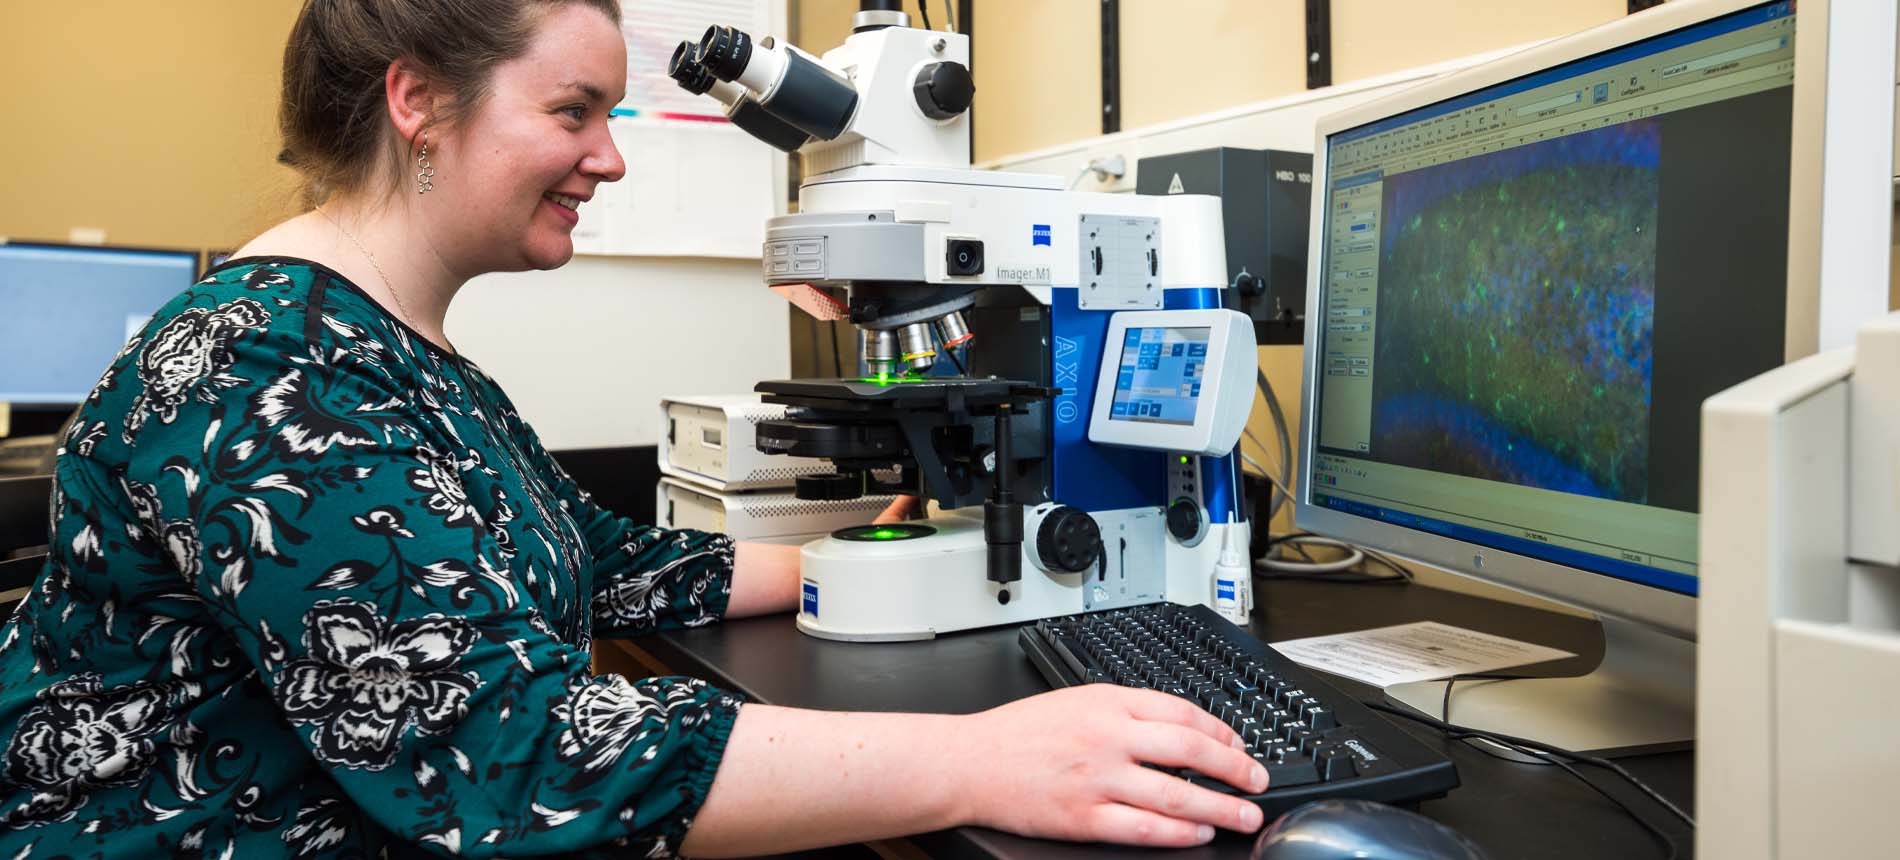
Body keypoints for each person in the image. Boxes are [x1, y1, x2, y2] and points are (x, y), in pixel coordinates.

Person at [0, 1, 1270, 856]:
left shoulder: (391, 342)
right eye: (574, 111)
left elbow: (593, 557)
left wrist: (879, 554)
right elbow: (508, 750)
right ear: (416, 102)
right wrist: (978, 762)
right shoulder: (263, 365)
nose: (607, 158)